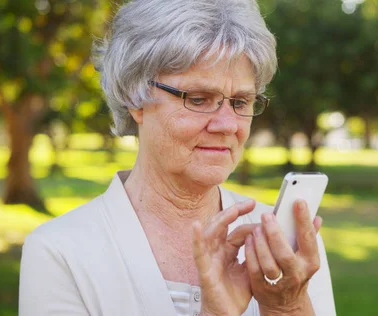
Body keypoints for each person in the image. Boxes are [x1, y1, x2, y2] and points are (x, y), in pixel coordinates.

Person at [18, 0, 335, 315]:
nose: (227, 125)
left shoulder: (286, 247)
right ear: (135, 98)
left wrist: (286, 305)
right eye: (198, 99)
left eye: (240, 102)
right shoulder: (61, 252)